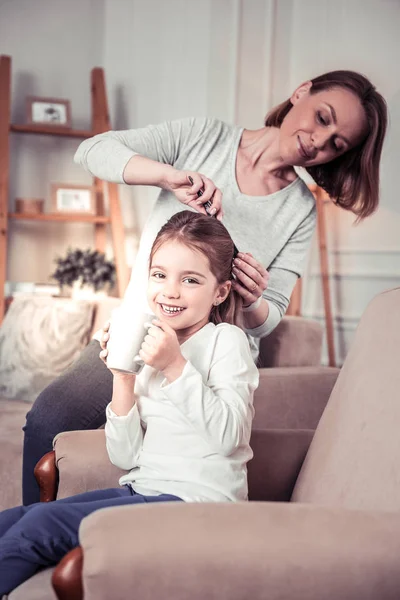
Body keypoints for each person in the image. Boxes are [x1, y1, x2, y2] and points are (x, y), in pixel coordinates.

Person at [22, 69, 388, 505]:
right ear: (301, 92)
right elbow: (92, 150)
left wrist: (252, 301)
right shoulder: (203, 137)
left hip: (210, 358)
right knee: (49, 416)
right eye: (322, 118)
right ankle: (36, 539)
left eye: (336, 145)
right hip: (142, 333)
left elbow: (269, 315)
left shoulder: (300, 209)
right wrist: (166, 177)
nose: (319, 141)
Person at [0, 212, 259, 594]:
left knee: (38, 529)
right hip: (144, 491)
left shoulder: (227, 342)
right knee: (14, 519)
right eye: (160, 275)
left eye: (190, 280)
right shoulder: (152, 345)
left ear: (219, 291)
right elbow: (125, 456)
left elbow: (229, 436)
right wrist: (123, 376)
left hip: (198, 504)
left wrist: (175, 366)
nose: (170, 291)